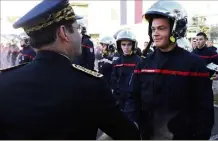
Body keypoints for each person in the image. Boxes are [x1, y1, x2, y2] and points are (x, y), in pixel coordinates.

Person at [0, 0, 140, 139]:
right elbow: (129, 135)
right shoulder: (91, 85)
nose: (79, 35)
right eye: (77, 28)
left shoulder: (4, 81)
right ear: (63, 33)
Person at [131, 1, 214, 139]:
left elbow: (204, 109)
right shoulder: (144, 63)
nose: (155, 34)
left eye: (161, 28)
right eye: (153, 29)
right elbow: (133, 98)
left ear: (176, 29)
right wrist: (132, 122)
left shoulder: (194, 64)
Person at [111, 29, 141, 123]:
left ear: (133, 45)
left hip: (133, 101)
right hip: (119, 100)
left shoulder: (139, 61)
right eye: (123, 44)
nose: (126, 47)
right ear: (119, 45)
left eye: (129, 44)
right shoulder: (117, 62)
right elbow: (114, 81)